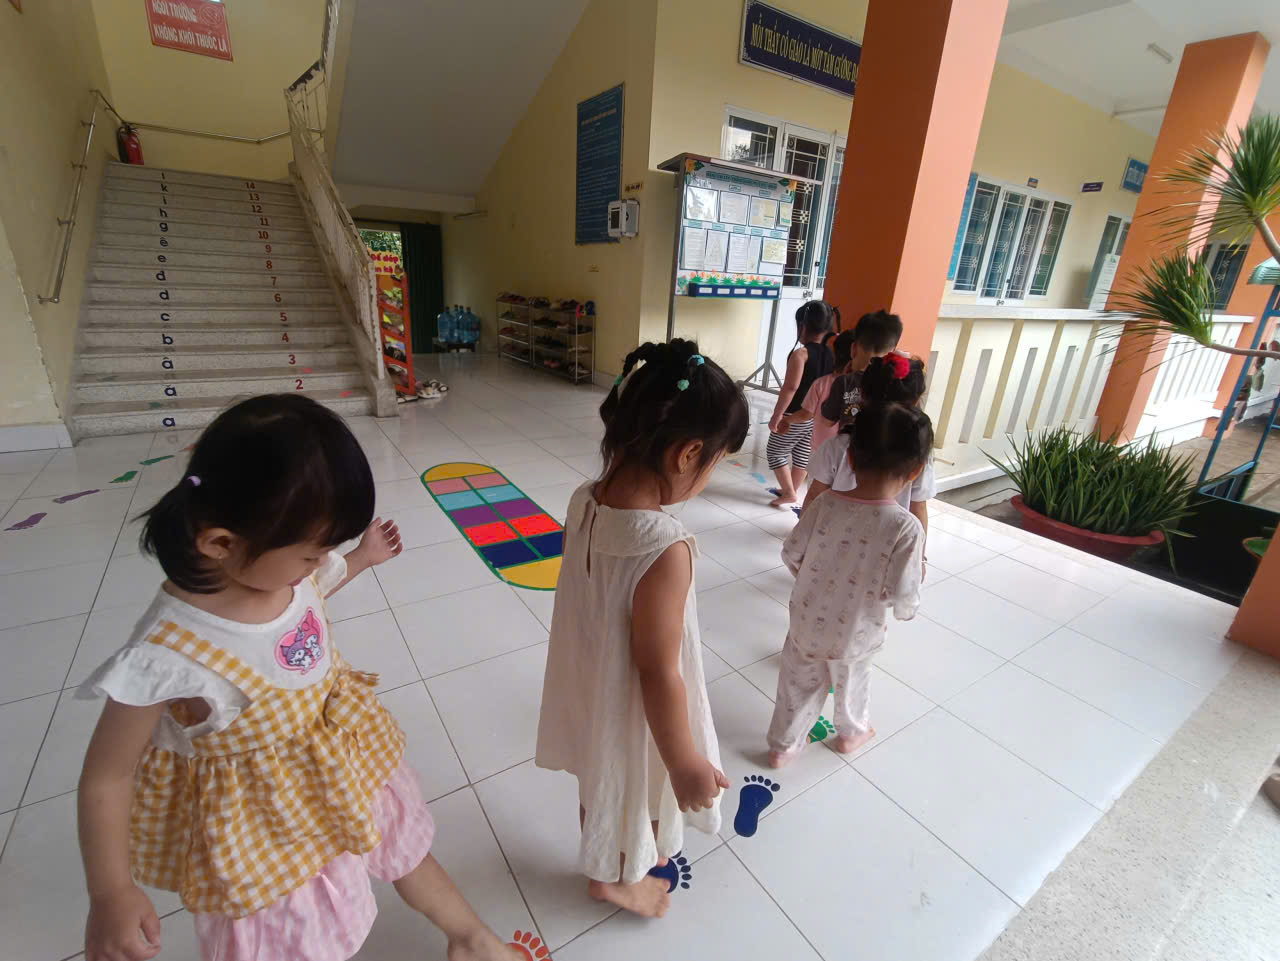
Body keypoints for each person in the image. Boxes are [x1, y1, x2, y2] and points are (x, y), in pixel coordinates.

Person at [76, 395, 516, 961]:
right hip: (266, 825)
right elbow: (106, 778)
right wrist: (110, 892)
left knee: (393, 838)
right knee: (292, 937)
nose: (319, 564)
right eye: (312, 554)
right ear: (221, 543)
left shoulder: (282, 572)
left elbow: (315, 587)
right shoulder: (168, 654)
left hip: (337, 761)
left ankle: (469, 937)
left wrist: (360, 559)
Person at [536, 339, 748, 918]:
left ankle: (603, 865)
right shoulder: (663, 546)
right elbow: (658, 670)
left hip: (587, 676)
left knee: (598, 774)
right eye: (715, 464)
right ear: (688, 454)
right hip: (634, 701)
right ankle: (618, 880)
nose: (707, 476)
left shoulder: (583, 500)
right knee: (640, 783)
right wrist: (685, 762)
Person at [765, 400, 931, 767]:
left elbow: (791, 553)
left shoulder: (824, 504)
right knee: (852, 682)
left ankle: (783, 746)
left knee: (796, 684)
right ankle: (851, 733)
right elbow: (904, 592)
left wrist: (816, 579)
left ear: (850, 457)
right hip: (857, 632)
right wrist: (905, 609)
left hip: (806, 622)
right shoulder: (905, 528)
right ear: (916, 471)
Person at [803, 353, 936, 571]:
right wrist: (918, 559)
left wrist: (805, 538)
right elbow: (918, 506)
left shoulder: (839, 445)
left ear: (862, 394)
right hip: (886, 549)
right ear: (916, 400)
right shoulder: (919, 454)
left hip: (832, 542)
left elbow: (814, 495)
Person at [764, 301, 837, 508]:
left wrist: (778, 415)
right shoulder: (831, 354)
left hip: (794, 414)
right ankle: (793, 489)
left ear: (802, 326)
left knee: (775, 451)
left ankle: (788, 492)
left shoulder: (801, 354)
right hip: (815, 415)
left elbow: (790, 388)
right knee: (802, 452)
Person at [817, 309, 904, 429]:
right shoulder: (899, 384)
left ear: (853, 349)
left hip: (849, 441)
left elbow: (826, 421)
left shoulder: (844, 382)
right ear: (893, 352)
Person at [778, 329, 856, 460]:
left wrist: (786, 420)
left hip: (822, 447)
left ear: (834, 354)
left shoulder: (821, 383)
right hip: (849, 449)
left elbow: (806, 414)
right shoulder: (860, 385)